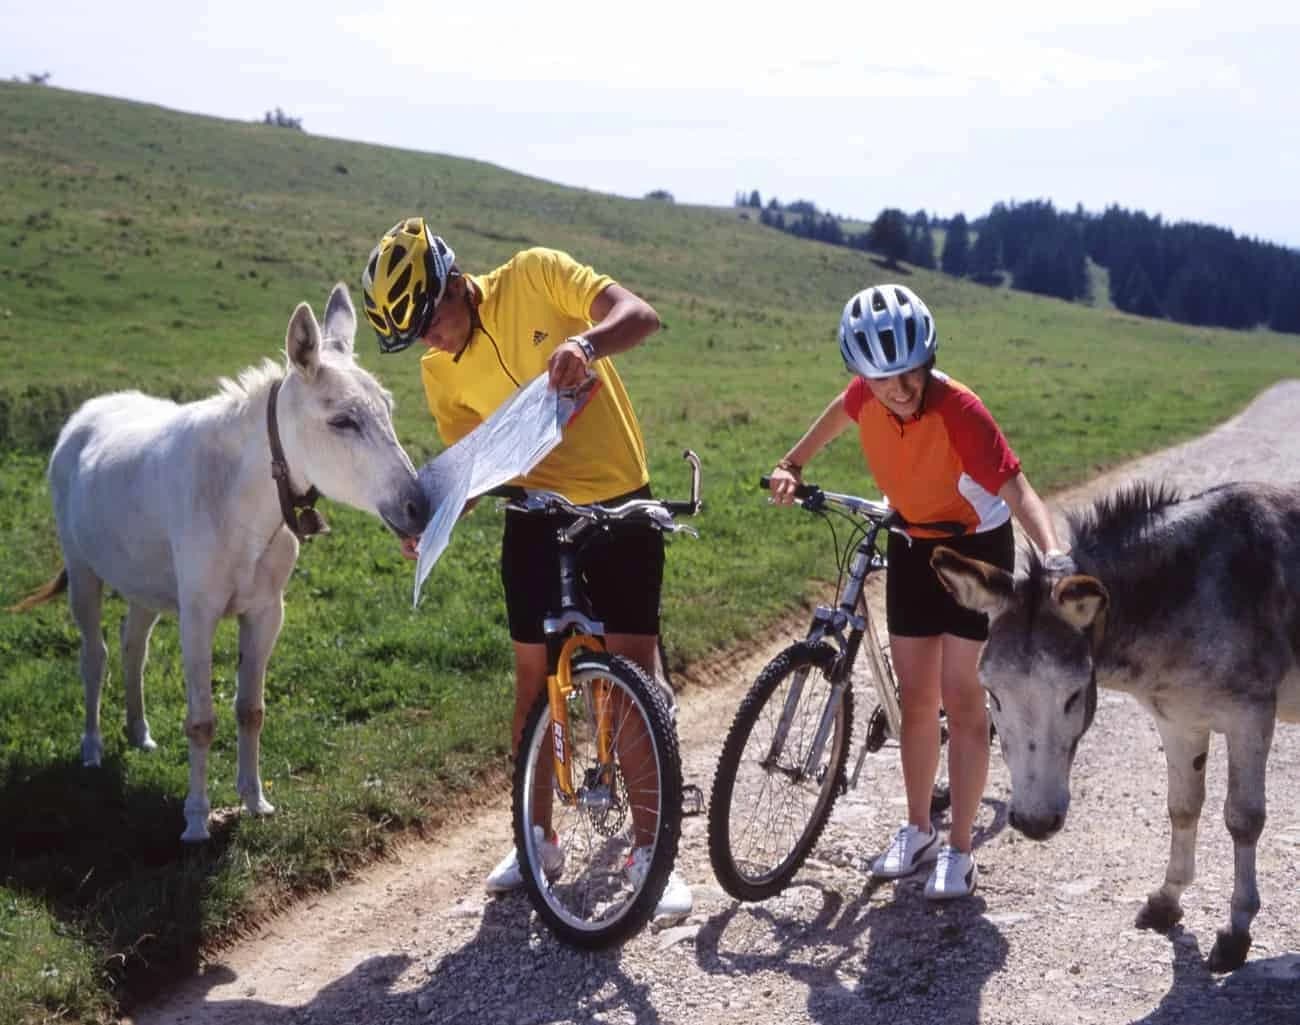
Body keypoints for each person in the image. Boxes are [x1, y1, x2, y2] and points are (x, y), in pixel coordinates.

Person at [359, 218, 691, 919]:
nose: (429, 339)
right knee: (532, 679)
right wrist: (434, 516)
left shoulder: (536, 275)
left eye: (429, 319)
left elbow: (641, 314)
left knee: (631, 672)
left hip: (615, 500)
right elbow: (473, 466)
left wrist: (585, 342)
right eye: (411, 336)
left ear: (455, 282)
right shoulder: (435, 370)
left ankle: (651, 847)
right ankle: (535, 836)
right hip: (534, 513)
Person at [768, 283, 1070, 900]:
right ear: (862, 375)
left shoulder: (961, 410)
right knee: (915, 702)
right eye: (882, 380)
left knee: (961, 699)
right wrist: (792, 464)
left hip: (975, 552)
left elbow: (1017, 491)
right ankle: (917, 828)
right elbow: (835, 416)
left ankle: (958, 850)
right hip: (909, 545)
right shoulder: (863, 395)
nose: (898, 390)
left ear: (927, 362)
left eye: (909, 374)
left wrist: (1054, 555)